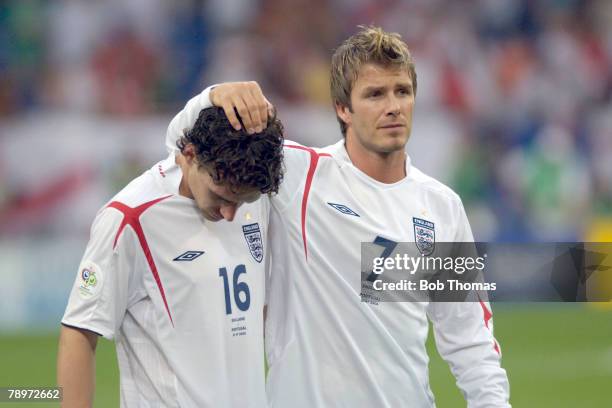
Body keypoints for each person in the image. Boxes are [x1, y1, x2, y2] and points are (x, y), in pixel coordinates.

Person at [166, 26, 511, 407]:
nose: (393, 105)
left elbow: (469, 337)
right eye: (375, 94)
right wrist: (212, 97)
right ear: (342, 109)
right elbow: (182, 145)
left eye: (403, 91)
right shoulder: (298, 177)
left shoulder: (441, 205)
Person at [57, 107, 284, 407]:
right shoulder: (130, 218)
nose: (230, 214)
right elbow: (80, 330)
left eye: (242, 202)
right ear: (190, 155)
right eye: (221, 196)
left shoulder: (254, 189)